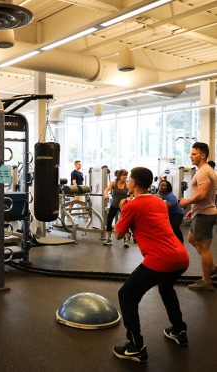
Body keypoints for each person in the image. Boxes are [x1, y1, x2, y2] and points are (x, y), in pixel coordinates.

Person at [113, 167, 189, 363]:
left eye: (129, 179)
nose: (128, 182)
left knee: (127, 294)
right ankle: (179, 329)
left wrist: (123, 210)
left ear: (134, 184)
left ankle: (135, 347)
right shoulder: (159, 201)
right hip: (180, 256)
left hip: (160, 259)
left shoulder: (131, 206)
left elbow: (119, 234)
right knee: (165, 287)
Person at [179, 142, 217, 291]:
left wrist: (188, 201)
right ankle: (212, 267)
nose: (190, 156)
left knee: (205, 247)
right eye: (191, 153)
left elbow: (203, 194)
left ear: (203, 155)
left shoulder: (203, 172)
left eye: (194, 154)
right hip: (200, 212)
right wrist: (193, 209)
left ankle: (206, 281)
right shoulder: (205, 170)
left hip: (205, 214)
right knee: (191, 238)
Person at [103, 169, 131, 247]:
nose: (125, 177)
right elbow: (106, 190)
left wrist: (129, 198)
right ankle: (109, 238)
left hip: (124, 206)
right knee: (109, 221)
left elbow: (132, 193)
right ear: (119, 176)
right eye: (124, 175)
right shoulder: (114, 183)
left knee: (125, 222)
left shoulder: (127, 184)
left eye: (126, 175)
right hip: (114, 205)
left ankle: (127, 239)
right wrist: (106, 194)